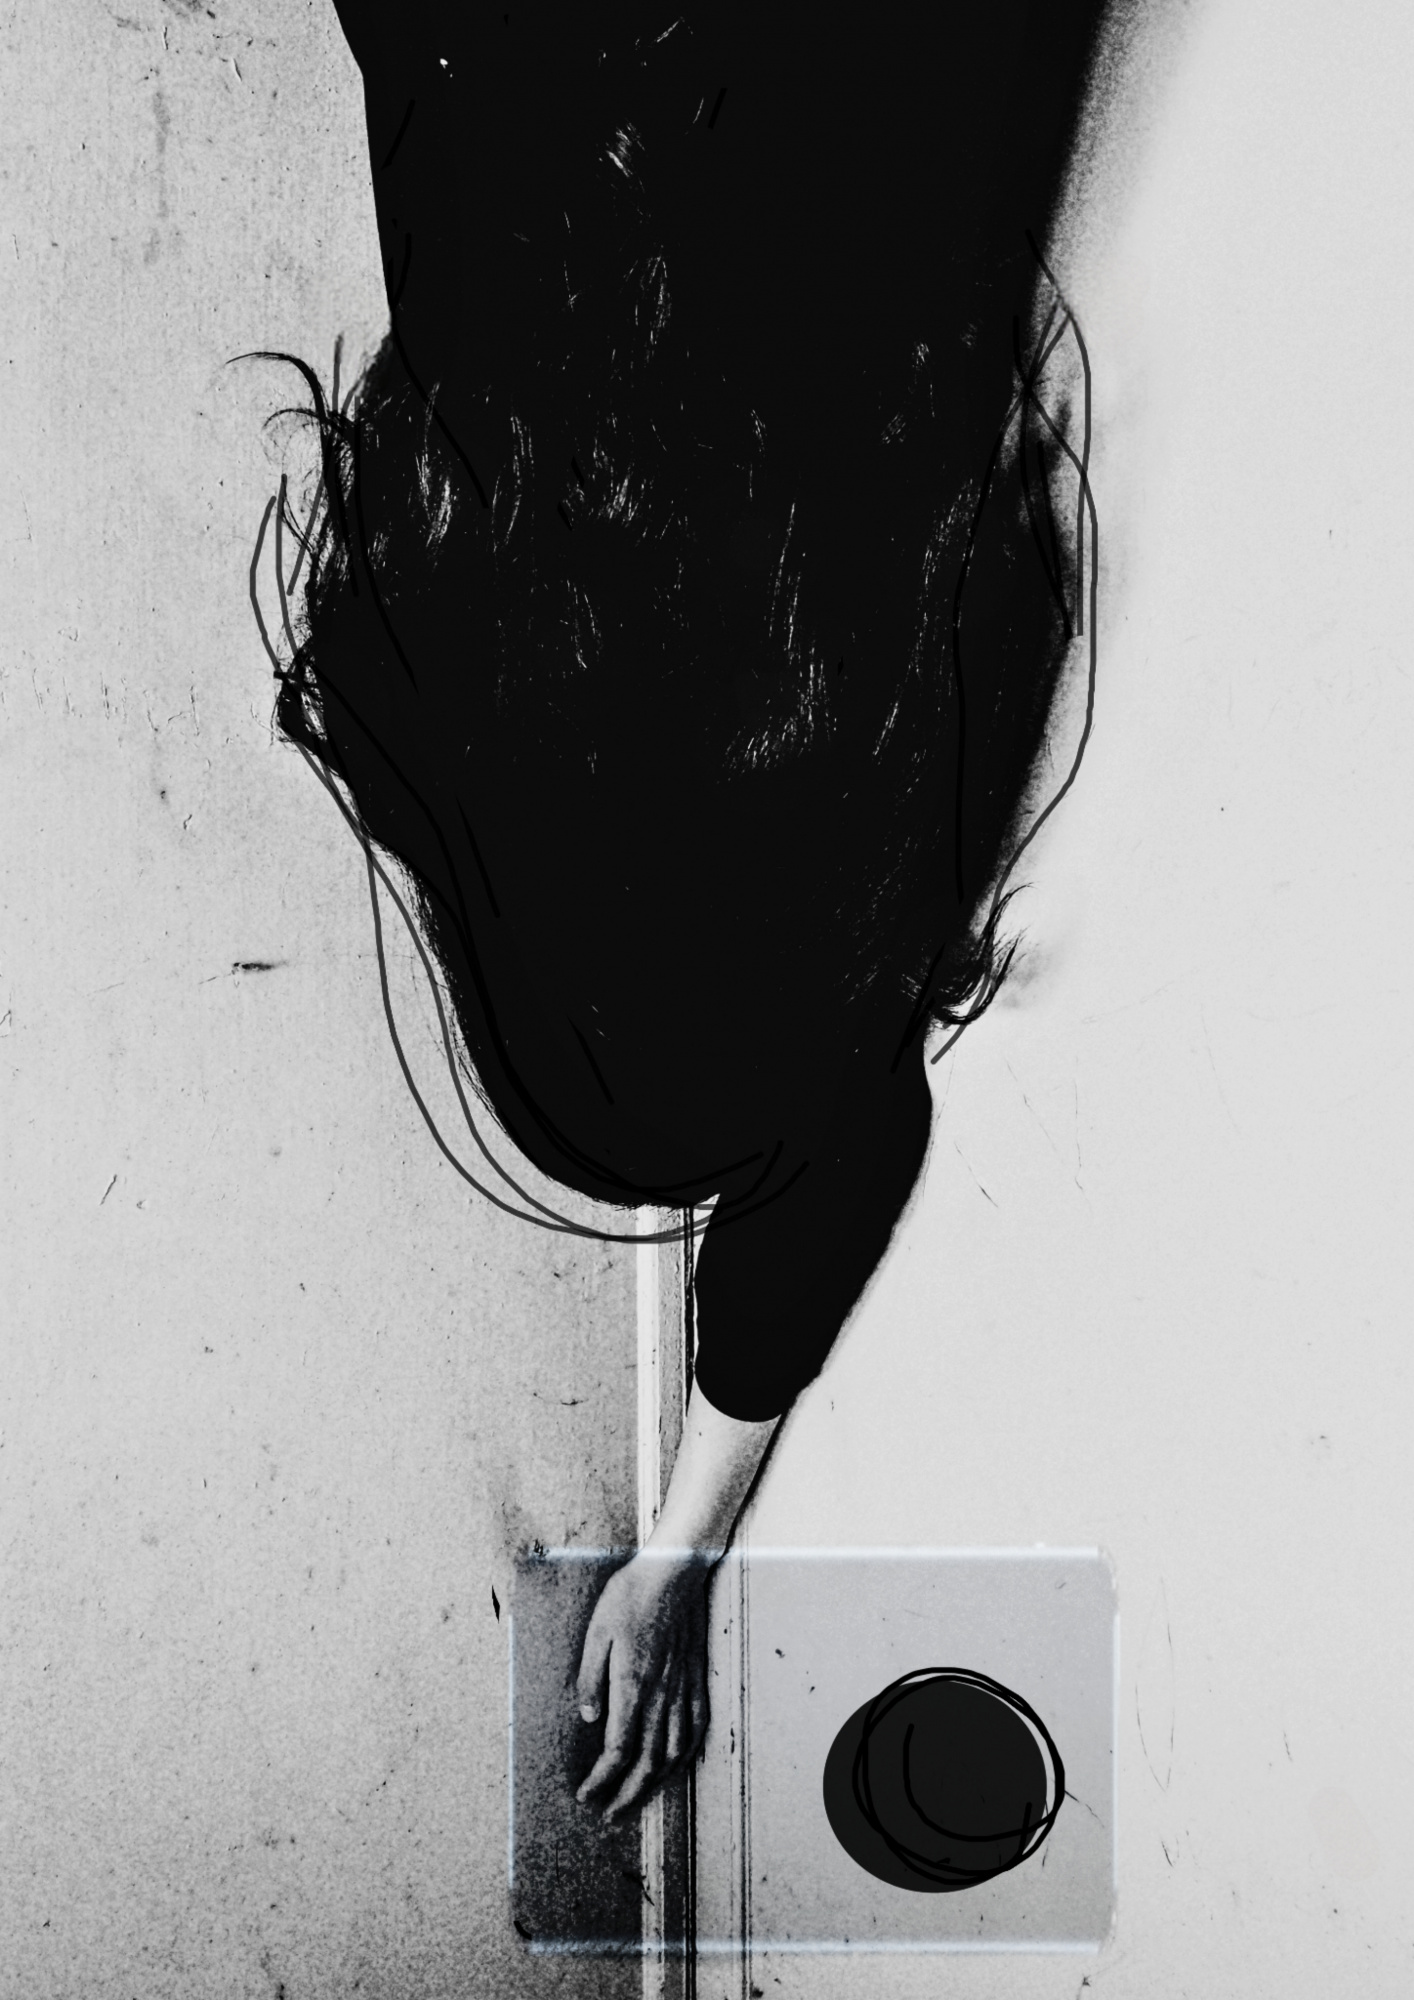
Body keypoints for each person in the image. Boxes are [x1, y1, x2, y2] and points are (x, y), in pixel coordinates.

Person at [263, 1, 1106, 1826]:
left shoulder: (885, 498)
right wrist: (673, 1560)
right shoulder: (489, 385)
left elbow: (838, 1133)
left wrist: (680, 1554)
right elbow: (831, 1137)